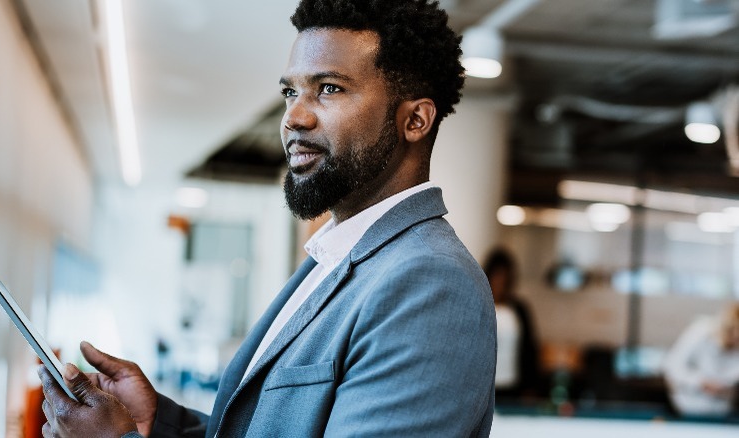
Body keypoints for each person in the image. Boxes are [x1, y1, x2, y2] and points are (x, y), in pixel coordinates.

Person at [38, 0, 497, 436]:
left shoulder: (430, 282)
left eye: (329, 89)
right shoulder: (334, 256)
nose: (293, 117)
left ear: (414, 120)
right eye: (290, 91)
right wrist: (159, 423)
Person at [483, 247, 540, 399]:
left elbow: (529, 349)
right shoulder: (479, 306)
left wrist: (530, 387)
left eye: (505, 276)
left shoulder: (519, 309)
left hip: (513, 386)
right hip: (483, 387)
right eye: (497, 275)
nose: (500, 281)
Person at [663, 303, 739, 417]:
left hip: (722, 411)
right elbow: (672, 365)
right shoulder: (701, 330)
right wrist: (700, 382)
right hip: (688, 407)